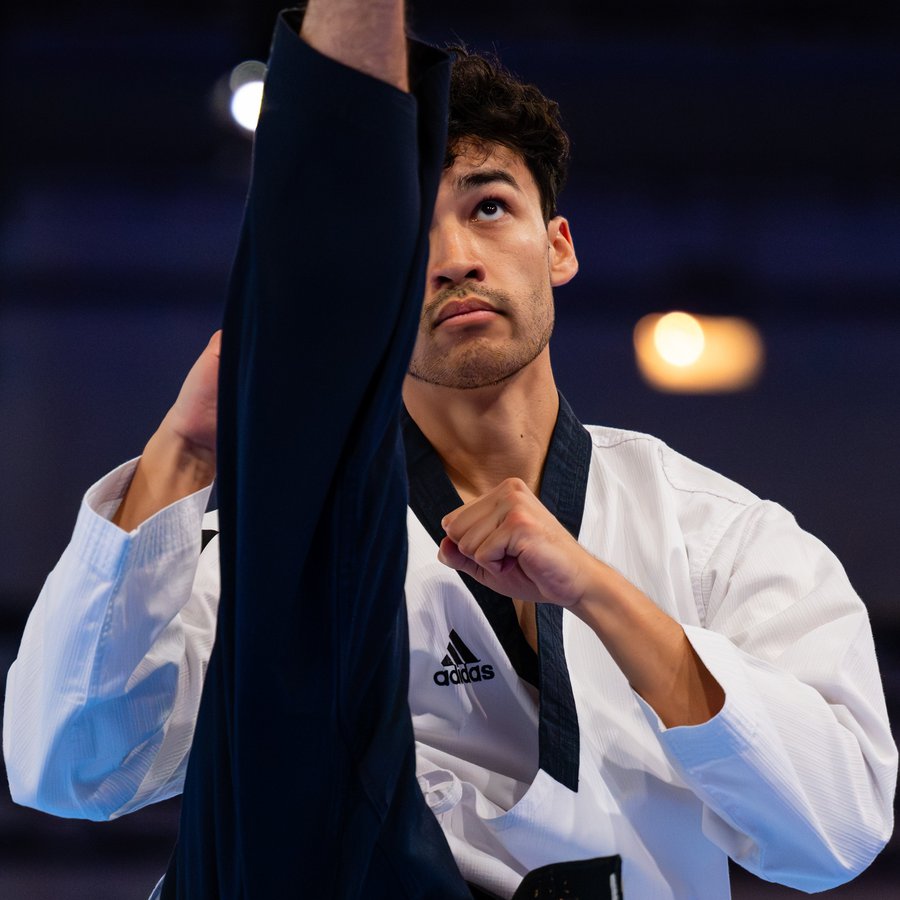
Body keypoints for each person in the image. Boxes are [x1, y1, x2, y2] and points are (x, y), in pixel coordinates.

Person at [4, 2, 896, 898]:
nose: (454, 258)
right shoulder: (273, 556)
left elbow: (840, 827)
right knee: (303, 574)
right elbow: (66, 768)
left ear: (558, 248)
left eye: (490, 207)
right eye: (412, 232)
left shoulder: (716, 536)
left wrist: (595, 590)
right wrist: (186, 454)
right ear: (372, 275)